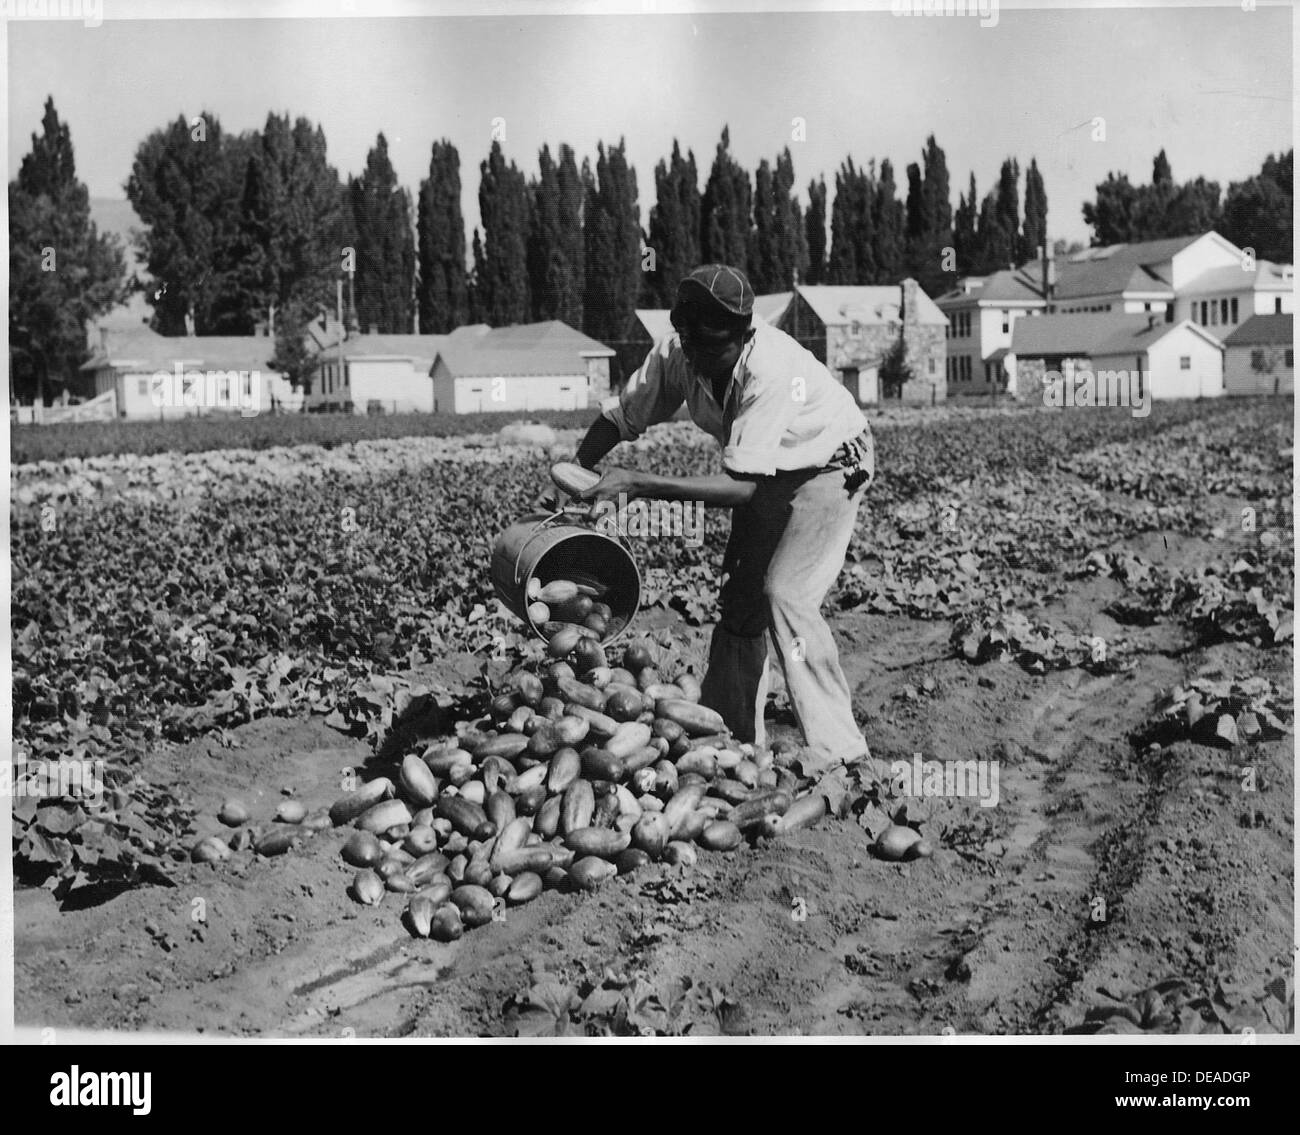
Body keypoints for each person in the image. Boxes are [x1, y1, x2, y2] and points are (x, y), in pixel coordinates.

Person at [565, 264, 876, 786]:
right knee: (739, 601)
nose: (705, 360)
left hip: (830, 465)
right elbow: (623, 416)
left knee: (786, 593)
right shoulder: (678, 354)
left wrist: (639, 484)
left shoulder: (771, 371)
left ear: (743, 335)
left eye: (718, 349)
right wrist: (579, 470)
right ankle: (730, 736)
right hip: (767, 468)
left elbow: (743, 490)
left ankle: (842, 753)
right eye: (695, 347)